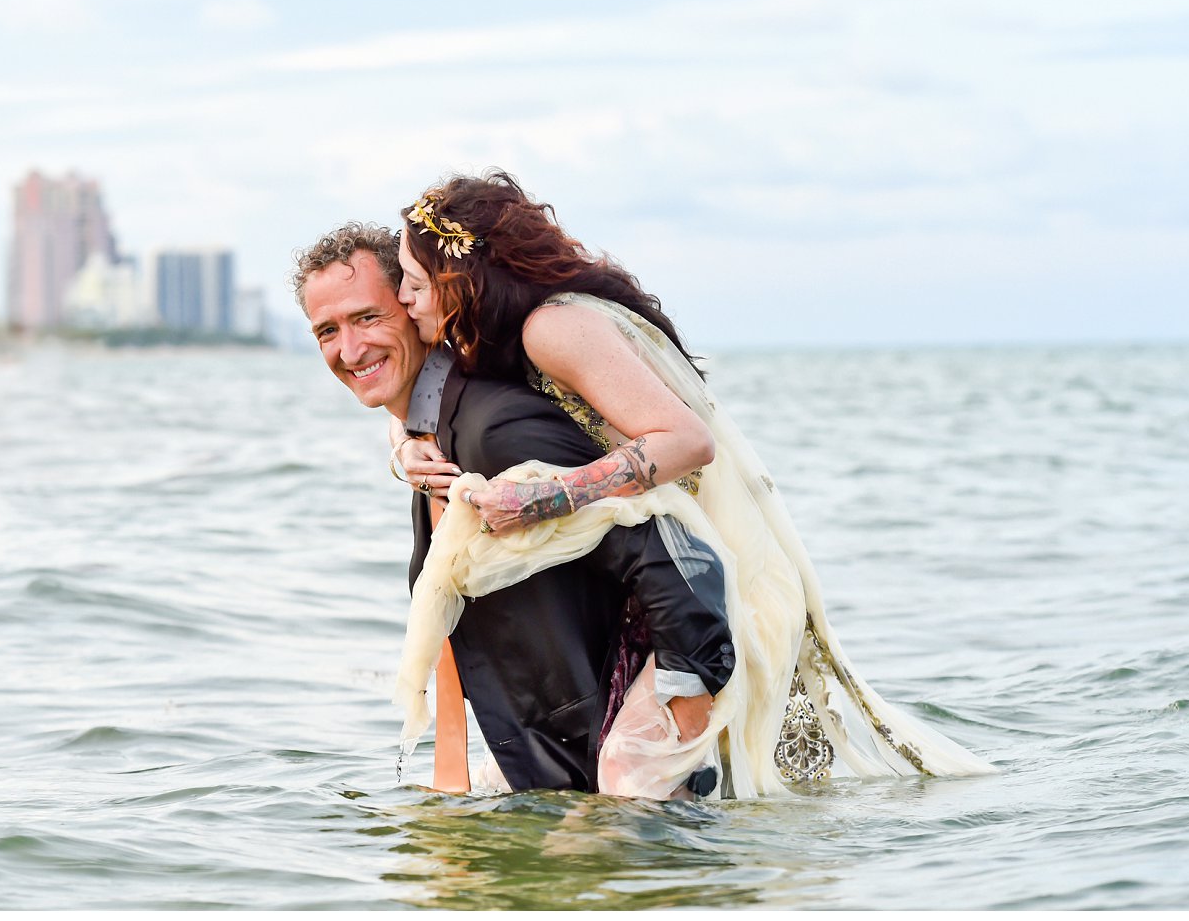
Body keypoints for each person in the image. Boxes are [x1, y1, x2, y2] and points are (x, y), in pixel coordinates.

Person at [387, 174, 991, 801]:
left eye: (413, 279)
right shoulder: (496, 337)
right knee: (558, 787)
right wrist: (404, 449)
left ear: (460, 276)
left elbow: (687, 441)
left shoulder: (552, 328)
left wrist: (546, 498)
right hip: (654, 583)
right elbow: (417, 399)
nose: (404, 298)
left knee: (629, 777)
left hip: (708, 583)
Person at [296, 222, 732, 798]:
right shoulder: (431, 435)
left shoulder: (496, 429)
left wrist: (664, 749)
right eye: (328, 330)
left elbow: (681, 564)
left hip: (636, 780)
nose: (350, 350)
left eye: (367, 318)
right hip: (554, 763)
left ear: (414, 303)